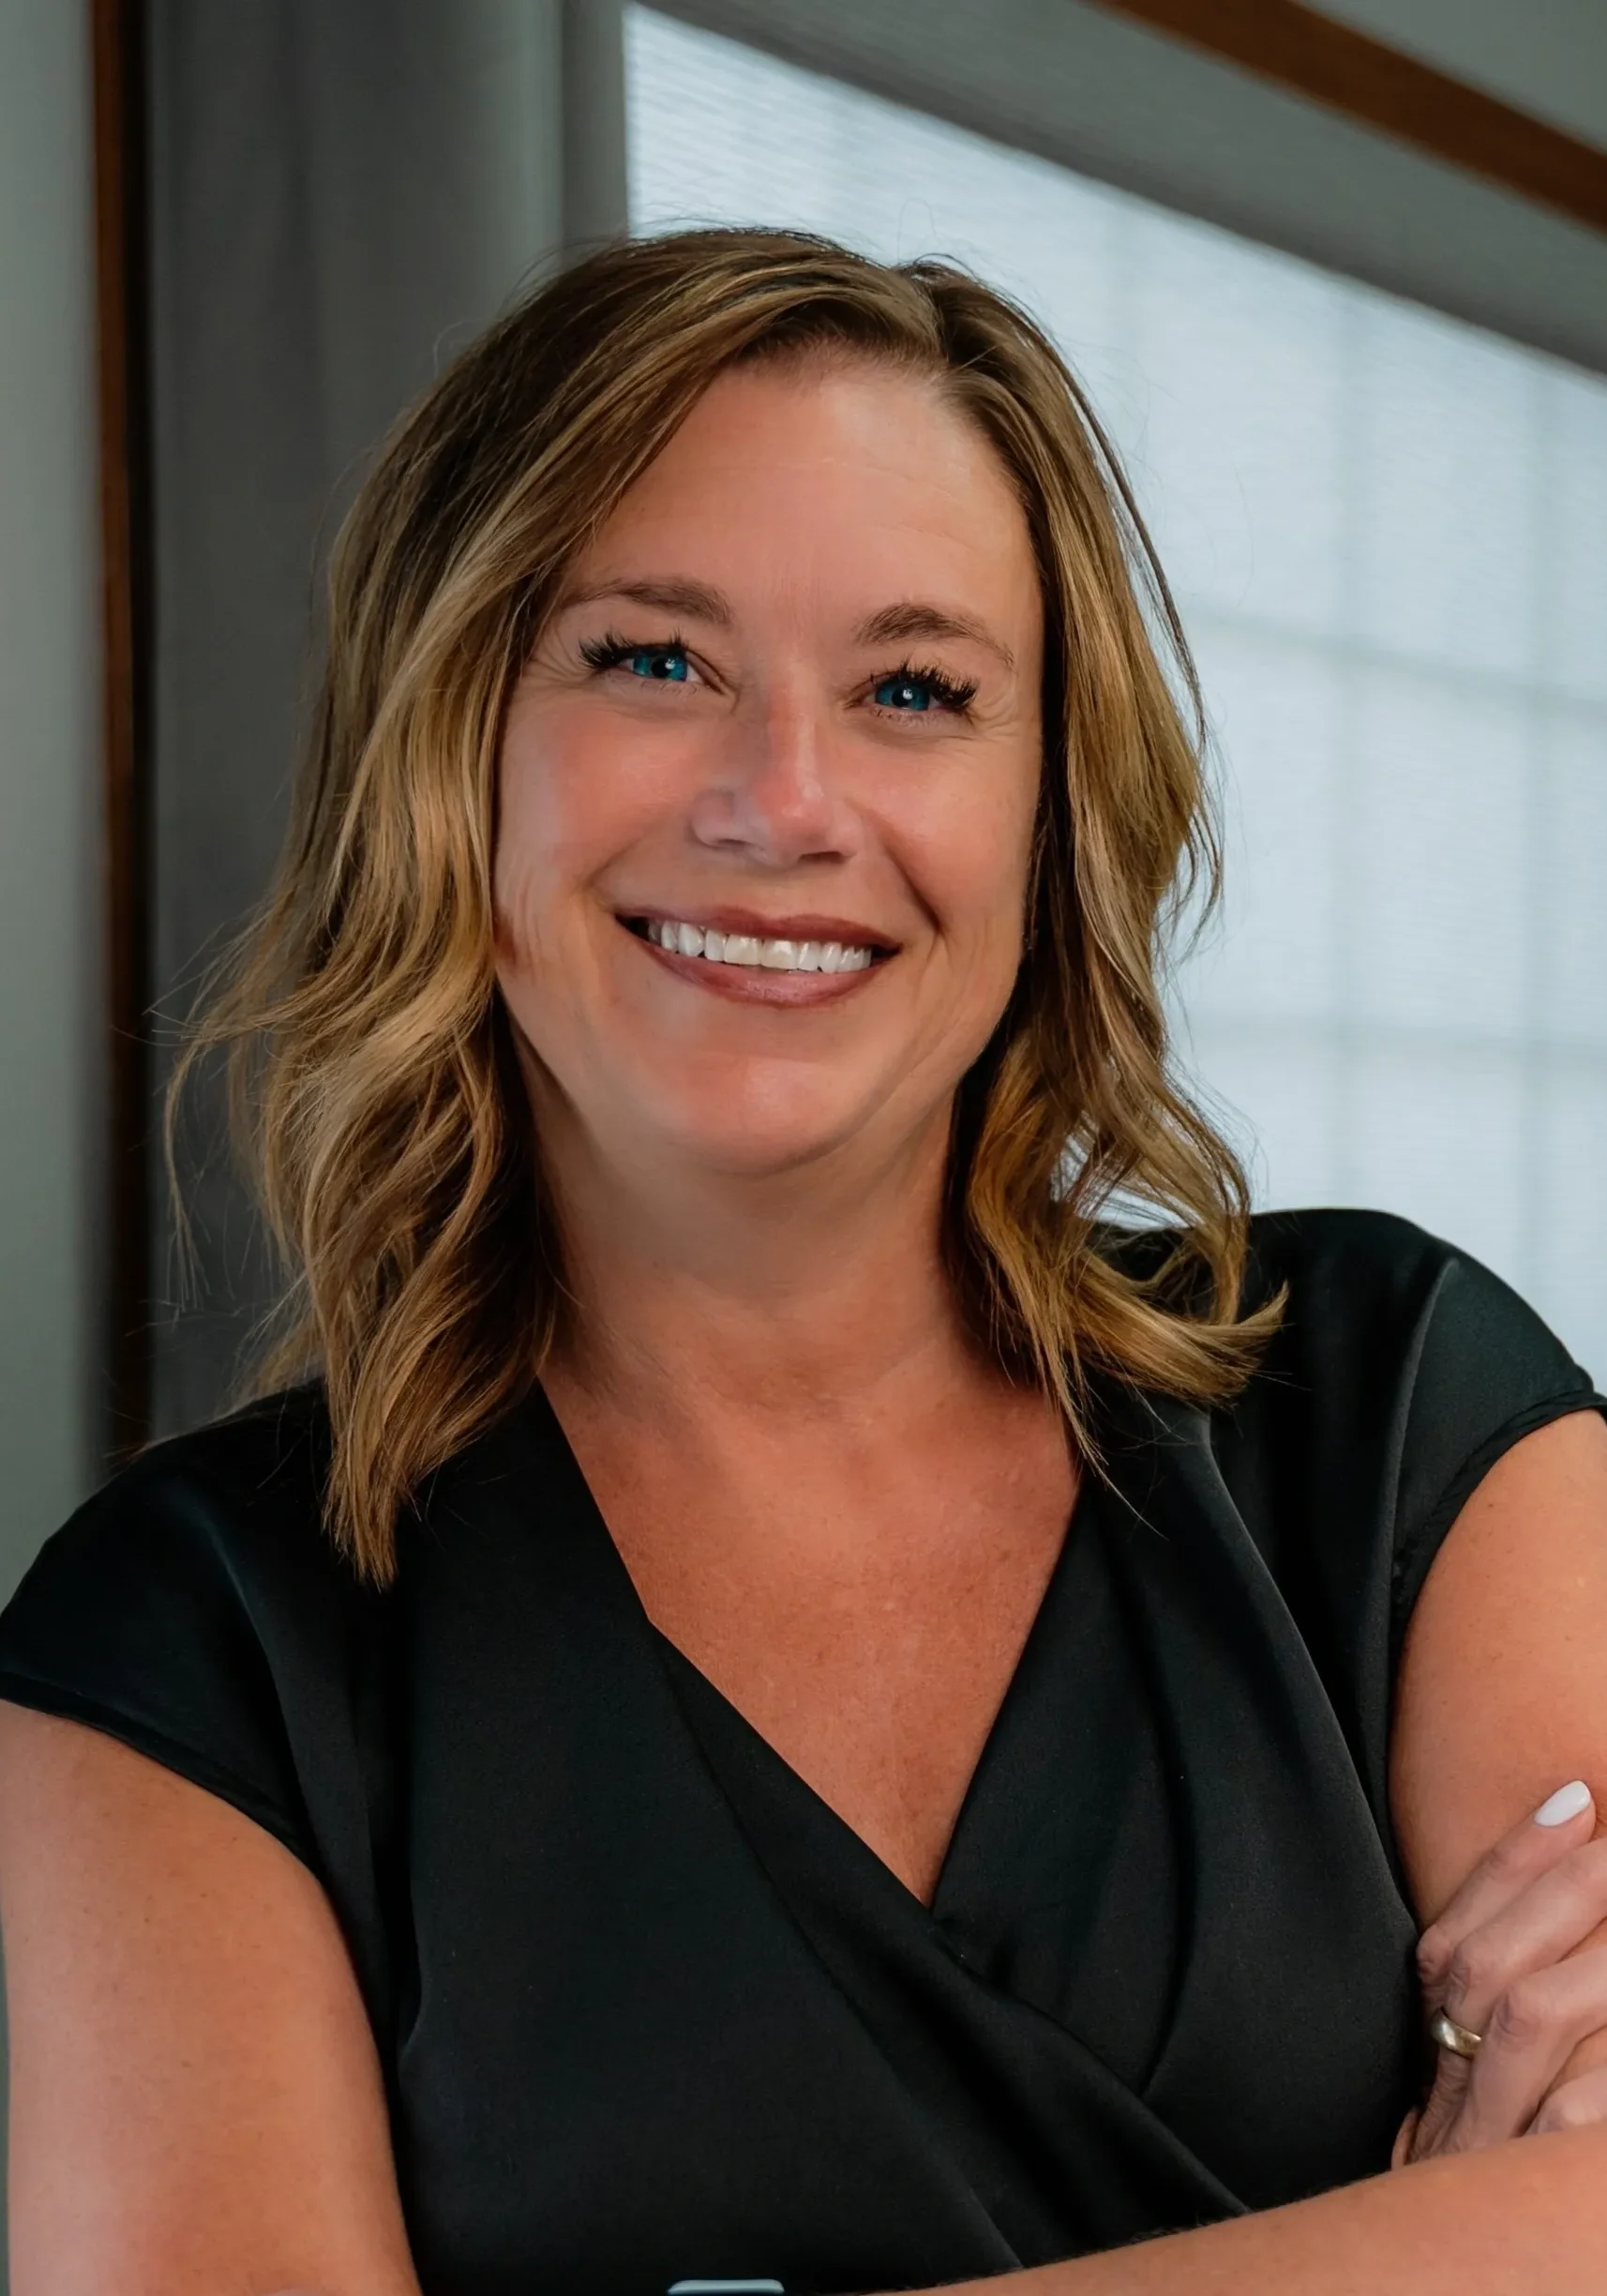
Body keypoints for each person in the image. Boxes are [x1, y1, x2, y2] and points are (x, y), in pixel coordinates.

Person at [1, 227, 1606, 2296]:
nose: (784, 802)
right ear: (446, 744)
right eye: (652, 661)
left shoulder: (1399, 1413)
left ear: (1050, 811)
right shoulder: (180, 1652)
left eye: (913, 691)